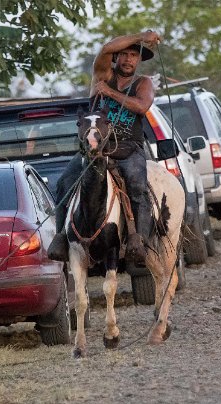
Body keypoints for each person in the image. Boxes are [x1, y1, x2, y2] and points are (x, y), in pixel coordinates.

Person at [48, 31, 161, 266]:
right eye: (124, 54)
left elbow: (141, 106)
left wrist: (110, 93)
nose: (129, 59)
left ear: (138, 61)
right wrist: (141, 36)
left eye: (134, 55)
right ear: (115, 58)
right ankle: (60, 237)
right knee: (64, 183)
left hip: (128, 148)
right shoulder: (102, 74)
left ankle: (139, 242)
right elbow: (105, 48)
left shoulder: (143, 83)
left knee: (137, 186)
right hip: (94, 149)